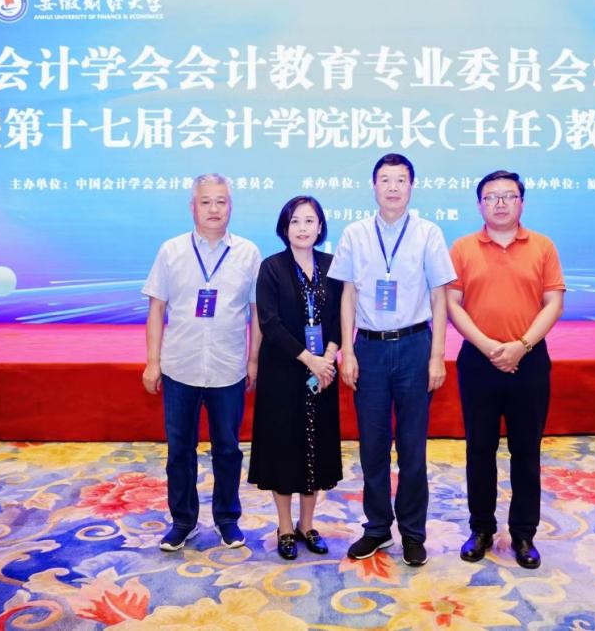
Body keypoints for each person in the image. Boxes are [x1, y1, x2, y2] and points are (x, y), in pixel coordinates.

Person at [328, 153, 456, 567]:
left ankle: (413, 533)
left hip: (415, 345)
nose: (393, 187)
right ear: (374, 186)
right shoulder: (355, 233)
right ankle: (378, 527)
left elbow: (439, 296)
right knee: (373, 445)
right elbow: (347, 295)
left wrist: (437, 356)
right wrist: (347, 351)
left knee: (413, 447)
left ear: (412, 186)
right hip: (369, 348)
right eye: (386, 179)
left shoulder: (428, 233)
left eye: (401, 179)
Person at [447, 170, 565, 569]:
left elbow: (553, 303)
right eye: (491, 197)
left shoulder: (542, 246)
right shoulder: (463, 248)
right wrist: (487, 346)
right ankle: (481, 528)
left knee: (526, 451)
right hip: (478, 361)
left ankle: (523, 533)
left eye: (508, 196)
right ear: (480, 204)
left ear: (521, 202)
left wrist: (522, 345)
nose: (500, 203)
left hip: (529, 361)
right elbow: (453, 304)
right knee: (479, 450)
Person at [141, 173, 262, 552]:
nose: (214, 209)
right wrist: (152, 362)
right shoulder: (171, 251)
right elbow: (156, 308)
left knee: (227, 448)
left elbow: (257, 312)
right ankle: (183, 521)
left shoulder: (248, 253)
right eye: (206, 201)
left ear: (231, 207)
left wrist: (253, 360)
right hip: (180, 366)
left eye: (221, 201)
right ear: (192, 207)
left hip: (228, 367)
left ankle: (227, 518)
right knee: (180, 449)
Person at [248, 195, 343, 560]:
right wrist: (310, 360)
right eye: (295, 221)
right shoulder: (271, 267)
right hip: (283, 371)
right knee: (283, 447)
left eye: (309, 221)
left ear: (320, 227)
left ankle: (307, 523)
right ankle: (285, 526)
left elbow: (341, 316)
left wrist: (328, 358)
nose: (302, 228)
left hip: (323, 372)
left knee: (317, 446)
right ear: (284, 228)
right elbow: (269, 323)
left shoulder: (332, 266)